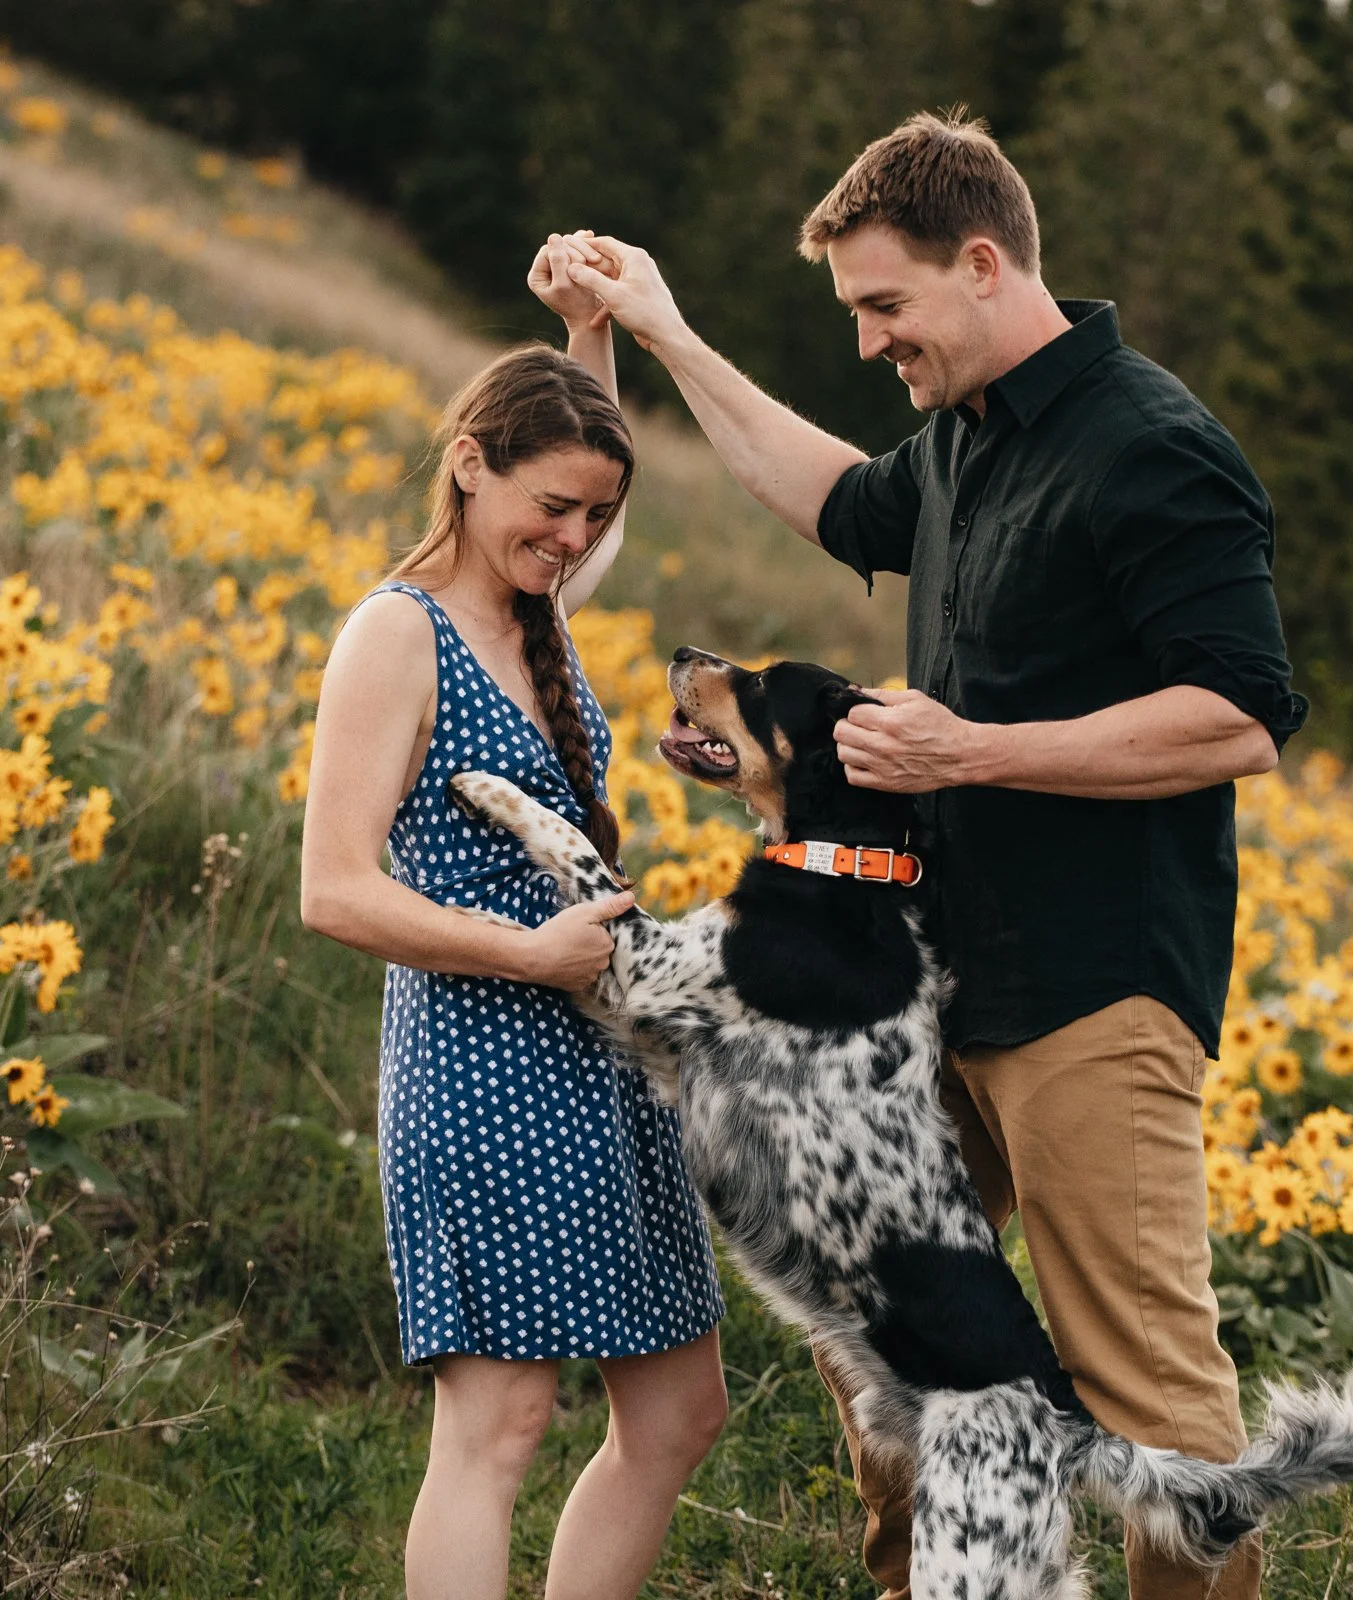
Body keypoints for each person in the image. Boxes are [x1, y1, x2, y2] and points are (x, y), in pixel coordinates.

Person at [556, 114, 1307, 1600]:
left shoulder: (1154, 449)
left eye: (884, 308)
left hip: (1092, 989)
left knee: (1144, 1381)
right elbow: (835, 495)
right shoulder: (966, 435)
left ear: (983, 266)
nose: (870, 343)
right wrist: (660, 330)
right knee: (874, 1331)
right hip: (919, 991)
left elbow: (1240, 716)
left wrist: (971, 750)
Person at [298, 243, 728, 1600]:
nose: (574, 540)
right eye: (553, 510)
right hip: (480, 1052)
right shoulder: (399, 632)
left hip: (606, 1062)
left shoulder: (530, 608)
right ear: (470, 463)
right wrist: (530, 954)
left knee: (677, 1416)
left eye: (595, 521)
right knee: (500, 1429)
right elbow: (334, 888)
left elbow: (574, 465)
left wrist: (586, 336)